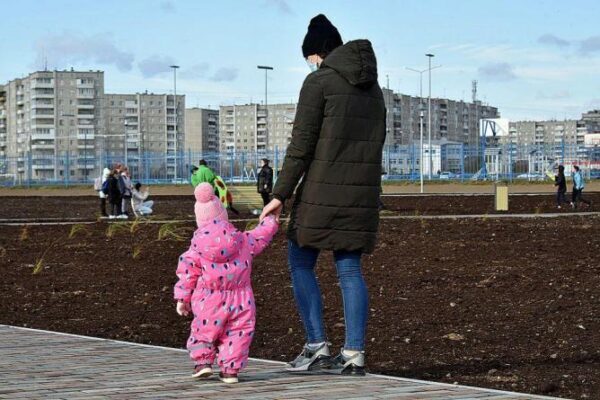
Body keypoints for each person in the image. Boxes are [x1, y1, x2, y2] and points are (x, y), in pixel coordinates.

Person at [260, 14, 386, 375]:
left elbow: (300, 147)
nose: (310, 65)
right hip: (360, 196)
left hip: (319, 194)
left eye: (310, 59)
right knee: (349, 270)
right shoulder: (374, 89)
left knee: (300, 261)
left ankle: (316, 345)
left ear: (318, 53)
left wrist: (279, 195)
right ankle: (354, 354)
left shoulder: (319, 83)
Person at [174, 183, 278, 384]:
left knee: (202, 331)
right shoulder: (243, 240)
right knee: (239, 332)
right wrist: (271, 220)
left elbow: (186, 273)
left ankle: (203, 362)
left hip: (208, 298)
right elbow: (261, 235)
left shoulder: (196, 249)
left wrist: (182, 299)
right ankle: (230, 370)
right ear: (223, 216)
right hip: (241, 298)